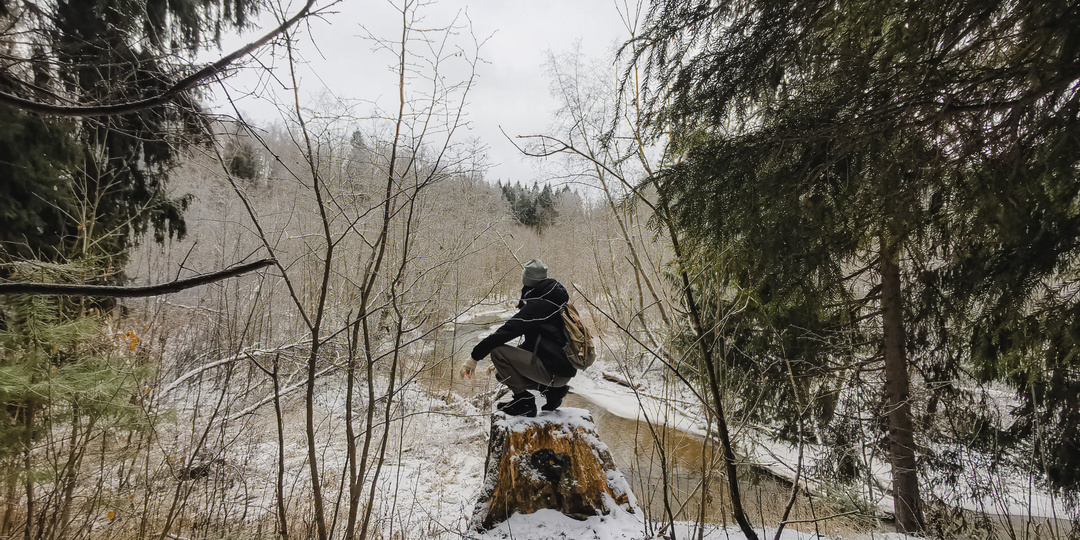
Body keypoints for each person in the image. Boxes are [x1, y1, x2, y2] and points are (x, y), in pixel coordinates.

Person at [461, 259, 575, 417]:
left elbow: (506, 332)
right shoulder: (553, 299)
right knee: (503, 374)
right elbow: (537, 343)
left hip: (554, 372)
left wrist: (474, 357)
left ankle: (524, 402)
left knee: (498, 352)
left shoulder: (538, 305)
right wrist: (507, 363)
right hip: (561, 370)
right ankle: (552, 391)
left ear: (527, 279)